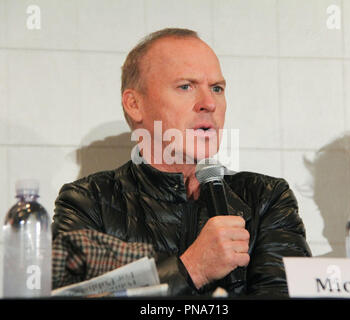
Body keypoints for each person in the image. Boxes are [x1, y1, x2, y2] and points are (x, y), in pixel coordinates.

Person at [52, 28, 311, 297]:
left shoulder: (266, 199)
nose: (209, 103)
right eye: (185, 86)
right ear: (134, 104)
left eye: (217, 88)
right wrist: (191, 270)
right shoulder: (86, 203)